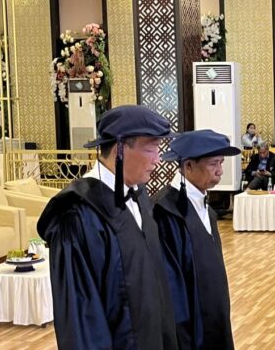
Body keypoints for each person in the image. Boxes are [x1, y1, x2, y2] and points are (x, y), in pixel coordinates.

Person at [37, 105, 178, 350]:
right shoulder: (78, 215)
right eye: (151, 148)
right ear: (119, 149)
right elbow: (81, 320)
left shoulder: (139, 197)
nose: (158, 159)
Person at [153, 129, 240, 350]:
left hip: (214, 317)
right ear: (188, 166)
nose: (220, 171)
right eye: (213, 164)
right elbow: (171, 287)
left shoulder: (206, 210)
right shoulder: (165, 212)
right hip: (189, 329)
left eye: (221, 162)